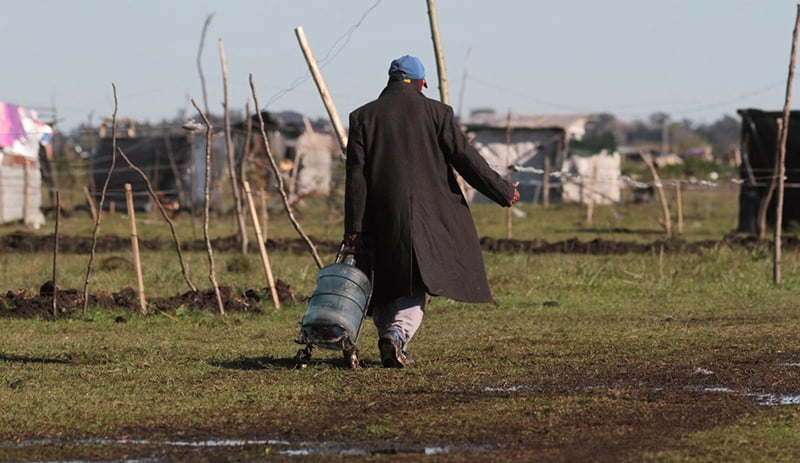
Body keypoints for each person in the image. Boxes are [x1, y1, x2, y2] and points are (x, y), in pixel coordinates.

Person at [344, 55, 520, 368]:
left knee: (384, 280)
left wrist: (354, 227)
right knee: (417, 281)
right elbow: (467, 159)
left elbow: (356, 177)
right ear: (422, 83)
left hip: (379, 216)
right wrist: (503, 191)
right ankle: (397, 335)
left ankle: (387, 332)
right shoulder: (437, 112)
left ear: (390, 80)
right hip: (429, 217)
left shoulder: (362, 117)